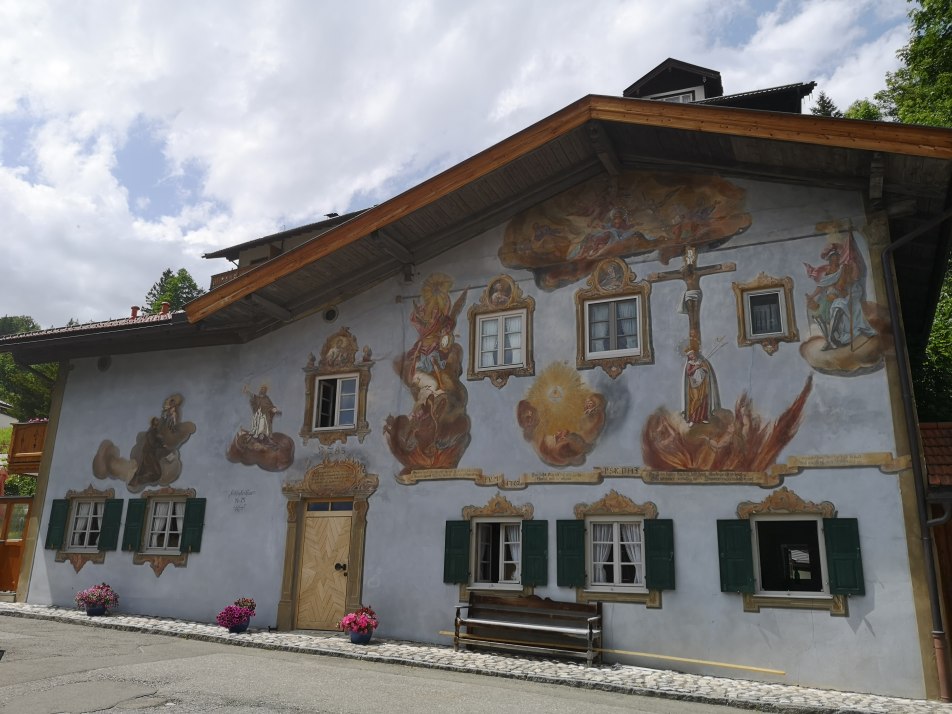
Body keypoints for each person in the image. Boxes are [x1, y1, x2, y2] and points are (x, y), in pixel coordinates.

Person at [682, 349, 719, 425]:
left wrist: (701, 367)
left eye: (693, 354)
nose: (692, 356)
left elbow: (706, 370)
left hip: (702, 383)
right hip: (694, 384)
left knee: (703, 399)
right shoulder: (689, 364)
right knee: (696, 399)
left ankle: (702, 417)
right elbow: (688, 373)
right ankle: (692, 419)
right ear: (689, 357)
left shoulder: (701, 361)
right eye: (690, 355)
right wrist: (695, 368)